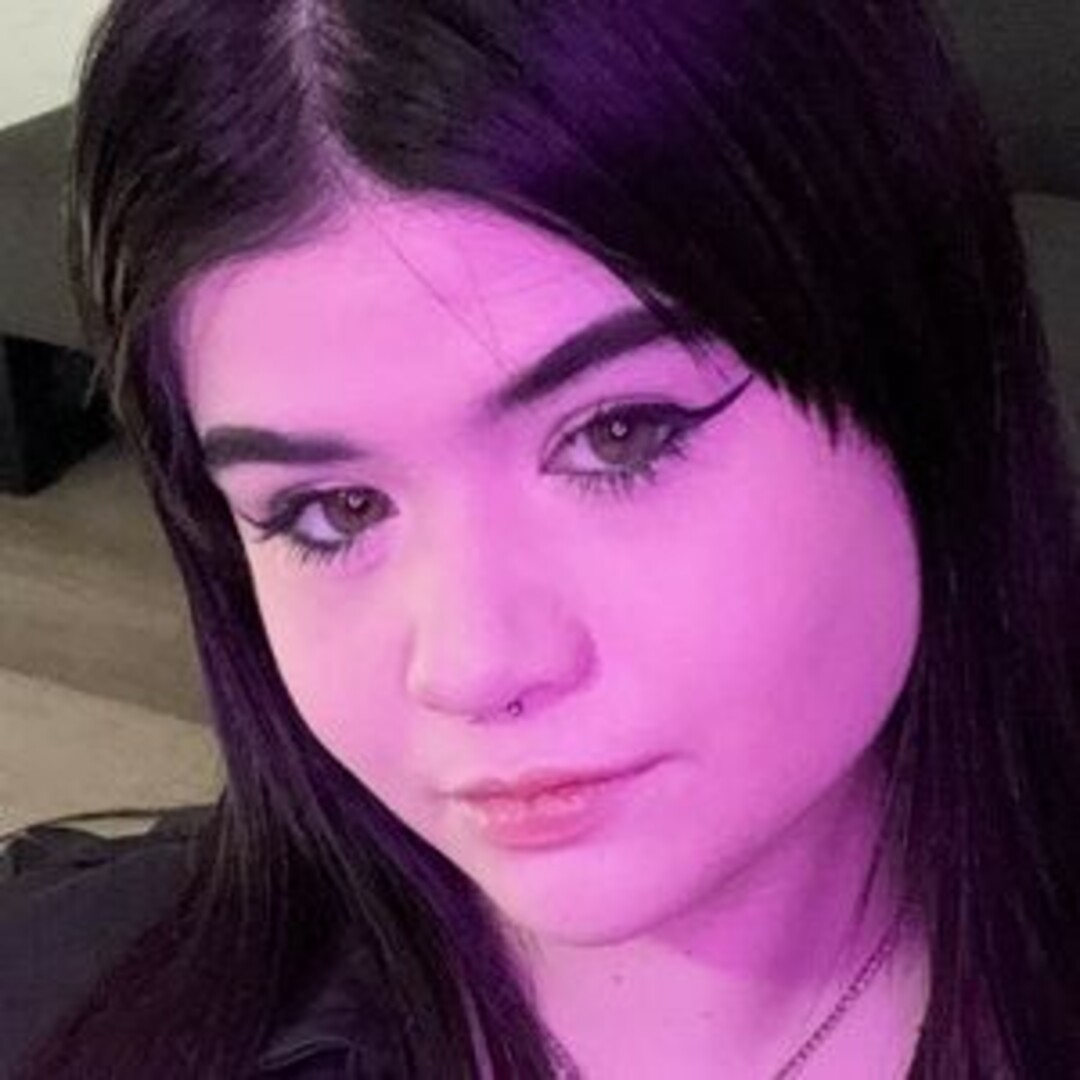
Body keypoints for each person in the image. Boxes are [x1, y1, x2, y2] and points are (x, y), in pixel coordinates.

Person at [3, 0, 1079, 1076]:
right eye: (334, 509)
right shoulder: (62, 1000)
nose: (474, 666)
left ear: (918, 368)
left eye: (618, 436)